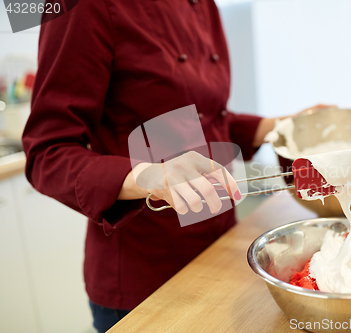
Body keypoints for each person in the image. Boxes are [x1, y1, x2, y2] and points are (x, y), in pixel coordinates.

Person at [22, 1, 325, 332]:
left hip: (220, 250)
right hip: (146, 277)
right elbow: (47, 151)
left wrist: (280, 126)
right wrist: (148, 175)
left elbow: (203, 118)